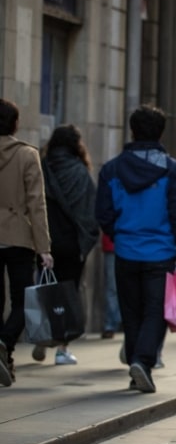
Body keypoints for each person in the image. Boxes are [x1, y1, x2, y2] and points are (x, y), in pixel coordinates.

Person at [95, 105, 176, 393]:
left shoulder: (111, 169)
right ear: (161, 133)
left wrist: (120, 235)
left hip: (125, 250)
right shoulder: (171, 169)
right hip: (161, 251)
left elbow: (103, 213)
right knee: (156, 311)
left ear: (132, 131)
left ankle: (136, 365)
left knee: (131, 311)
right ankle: (143, 362)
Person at [33, 124, 99, 365]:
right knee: (68, 295)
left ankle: (43, 335)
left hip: (45, 242)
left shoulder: (42, 167)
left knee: (46, 290)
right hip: (71, 244)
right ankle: (62, 349)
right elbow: (90, 212)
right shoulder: (80, 172)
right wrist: (86, 242)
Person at [0, 99, 54, 387]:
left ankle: (5, 356)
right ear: (15, 124)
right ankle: (5, 344)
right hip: (19, 237)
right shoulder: (27, 155)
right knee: (23, 301)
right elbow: (36, 204)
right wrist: (44, 247)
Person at [100, 233, 121, 338]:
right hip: (112, 245)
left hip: (134, 245)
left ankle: (120, 322)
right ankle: (110, 325)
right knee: (111, 288)